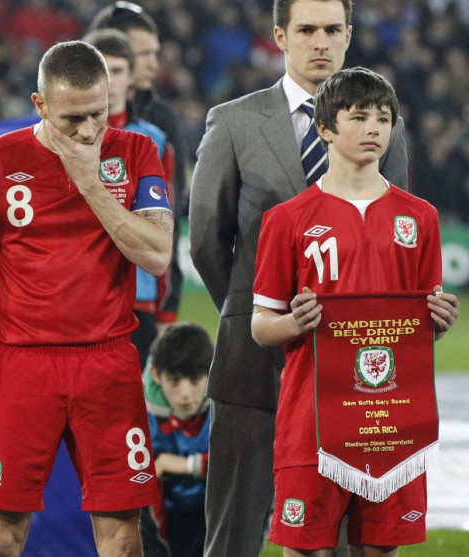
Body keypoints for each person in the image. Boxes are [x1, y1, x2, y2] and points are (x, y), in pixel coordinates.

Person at [188, 1, 409, 556]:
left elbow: (393, 232)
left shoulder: (387, 128)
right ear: (281, 36)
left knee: (333, 538)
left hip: (350, 367)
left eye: (333, 30)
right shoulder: (234, 121)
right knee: (233, 534)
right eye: (307, 30)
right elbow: (207, 244)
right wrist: (254, 314)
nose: (321, 42)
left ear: (349, 36)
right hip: (252, 365)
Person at [0, 40, 173, 557]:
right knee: (2, 535)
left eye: (98, 112)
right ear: (40, 104)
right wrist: (2, 345)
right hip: (23, 365)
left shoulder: (136, 152)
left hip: (107, 362)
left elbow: (157, 256)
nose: (89, 130)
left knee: (123, 535)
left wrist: (90, 182)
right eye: (73, 119)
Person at [250, 66, 460, 556]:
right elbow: (262, 326)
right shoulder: (287, 220)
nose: (374, 129)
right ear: (325, 128)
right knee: (307, 550)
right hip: (312, 419)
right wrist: (292, 323)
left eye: (383, 119)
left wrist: (438, 324)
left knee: (382, 550)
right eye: (360, 117)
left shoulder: (420, 217)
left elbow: (416, 330)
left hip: (392, 418)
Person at [89, 1, 185, 352]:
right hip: (76, 295)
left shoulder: (154, 139)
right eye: (103, 70)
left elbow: (166, 229)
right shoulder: (56, 138)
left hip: (138, 296)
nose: (110, 82)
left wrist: (166, 309)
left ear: (130, 79)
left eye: (118, 70)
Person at [140, 322, 213, 557]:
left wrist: (185, 465)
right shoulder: (139, 412)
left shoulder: (228, 407)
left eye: (194, 380)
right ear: (156, 375)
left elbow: (243, 467)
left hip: (213, 513)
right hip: (164, 516)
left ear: (210, 373)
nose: (185, 393)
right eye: (174, 380)